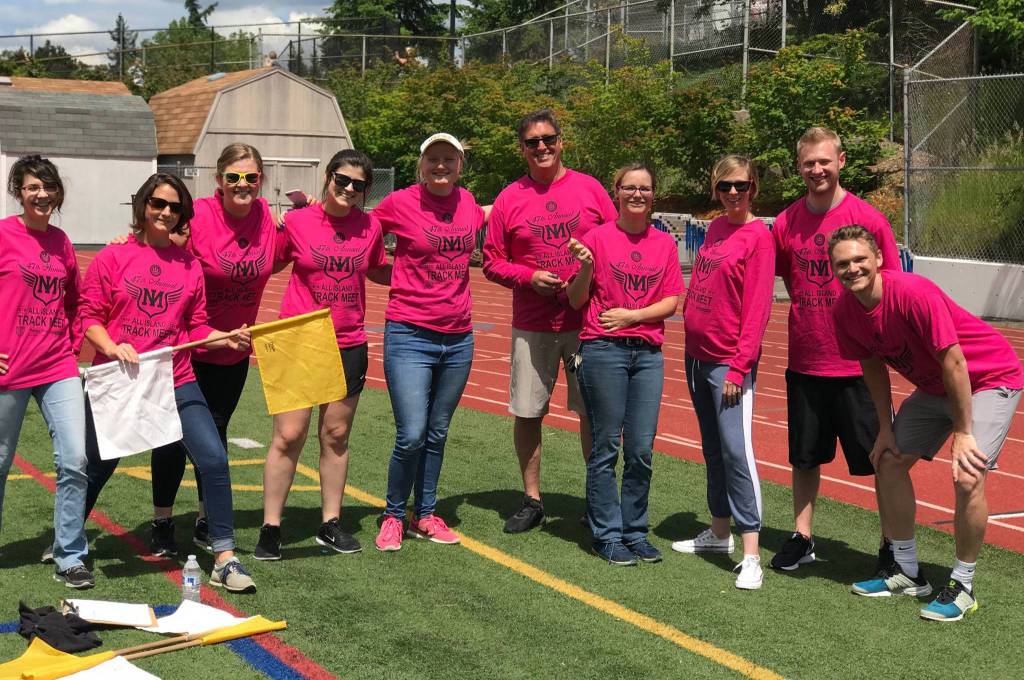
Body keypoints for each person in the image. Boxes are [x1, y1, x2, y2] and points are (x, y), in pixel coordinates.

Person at [829, 226, 1022, 621]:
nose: (853, 269)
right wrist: (886, 427)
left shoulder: (912, 293)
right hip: (936, 387)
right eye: (843, 264)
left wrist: (963, 433)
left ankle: (963, 584)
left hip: (987, 377)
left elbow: (954, 362)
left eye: (860, 259)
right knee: (888, 459)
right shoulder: (844, 311)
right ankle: (906, 570)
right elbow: (872, 367)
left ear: (879, 259)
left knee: (968, 475)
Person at [81, 173, 256, 593]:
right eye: (158, 203)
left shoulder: (189, 265)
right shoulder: (112, 257)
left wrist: (225, 336)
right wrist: (114, 344)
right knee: (97, 465)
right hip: (121, 378)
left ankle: (225, 557)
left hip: (175, 377)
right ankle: (68, 540)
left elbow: (195, 325)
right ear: (142, 206)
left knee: (213, 459)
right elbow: (88, 317)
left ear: (182, 215)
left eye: (174, 207)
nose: (165, 212)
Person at [769, 127, 901, 572]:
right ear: (799, 167)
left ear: (841, 160)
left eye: (824, 161)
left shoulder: (870, 218)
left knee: (881, 459)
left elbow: (891, 287)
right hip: (806, 360)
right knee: (804, 459)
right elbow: (788, 276)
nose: (817, 169)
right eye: (808, 163)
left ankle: (891, 545)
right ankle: (802, 536)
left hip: (859, 365)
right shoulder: (786, 221)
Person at [482, 109, 618, 533]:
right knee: (528, 412)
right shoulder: (509, 197)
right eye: (532, 142)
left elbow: (614, 243)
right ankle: (532, 499)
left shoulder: (591, 189)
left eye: (548, 139)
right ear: (521, 148)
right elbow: (490, 262)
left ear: (562, 142)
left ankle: (597, 497)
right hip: (533, 322)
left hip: (586, 324)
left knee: (592, 414)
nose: (542, 147)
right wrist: (528, 276)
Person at [145, 143, 281, 558]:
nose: (243, 185)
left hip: (233, 353)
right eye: (234, 177)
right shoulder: (199, 214)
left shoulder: (267, 220)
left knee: (216, 434)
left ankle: (206, 519)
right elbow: (157, 243)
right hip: (188, 349)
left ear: (261, 182)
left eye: (251, 177)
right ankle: (163, 521)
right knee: (171, 437)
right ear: (219, 180)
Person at [256, 149, 389, 560]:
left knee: (335, 436)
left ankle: (330, 522)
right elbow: (262, 262)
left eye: (358, 185)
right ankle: (271, 527)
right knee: (289, 436)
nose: (348, 189)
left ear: (367, 190)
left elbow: (380, 269)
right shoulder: (295, 221)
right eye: (342, 180)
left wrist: (430, 265)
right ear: (328, 177)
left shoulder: (371, 227)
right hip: (299, 339)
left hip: (348, 341)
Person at [566, 163, 682, 566]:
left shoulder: (664, 244)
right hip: (603, 351)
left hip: (647, 354)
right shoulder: (594, 239)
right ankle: (607, 534)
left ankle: (635, 531)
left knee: (641, 450)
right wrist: (584, 267)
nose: (637, 194)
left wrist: (633, 316)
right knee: (605, 447)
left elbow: (671, 301)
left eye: (645, 188)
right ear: (616, 192)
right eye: (629, 188)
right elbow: (576, 300)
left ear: (654, 196)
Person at [372, 134, 484, 551]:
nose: (441, 166)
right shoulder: (399, 202)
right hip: (409, 332)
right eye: (433, 159)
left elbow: (492, 217)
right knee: (412, 433)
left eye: (449, 160)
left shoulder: (470, 203)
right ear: (421, 165)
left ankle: (427, 513)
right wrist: (390, 275)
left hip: (458, 337)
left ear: (459, 165)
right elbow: (364, 235)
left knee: (437, 432)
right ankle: (393, 516)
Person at [669, 155, 775, 590]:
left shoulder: (759, 238)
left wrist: (739, 367)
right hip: (696, 357)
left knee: (736, 452)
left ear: (754, 188)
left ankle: (751, 554)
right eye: (726, 186)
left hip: (728, 364)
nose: (734, 193)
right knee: (711, 448)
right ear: (715, 188)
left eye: (742, 185)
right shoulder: (713, 229)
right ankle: (718, 533)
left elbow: (757, 310)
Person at [0, 156, 92, 588]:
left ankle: (70, 555)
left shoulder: (62, 241)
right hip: (9, 368)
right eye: (33, 187)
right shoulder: (3, 235)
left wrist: (71, 347)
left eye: (49, 187)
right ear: (18, 190)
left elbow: (75, 301)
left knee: (75, 458)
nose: (42, 195)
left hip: (57, 366)